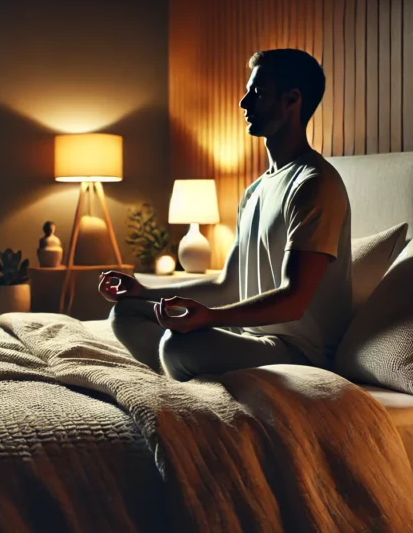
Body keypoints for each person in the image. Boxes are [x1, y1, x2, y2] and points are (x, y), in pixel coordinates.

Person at [99, 48, 352, 381]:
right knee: (126, 312)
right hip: (250, 339)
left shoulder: (315, 184)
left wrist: (209, 319)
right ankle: (178, 374)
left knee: (178, 346)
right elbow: (226, 284)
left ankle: (178, 371)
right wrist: (142, 291)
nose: (244, 102)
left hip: (297, 353)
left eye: (257, 93)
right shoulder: (255, 190)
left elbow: (294, 301)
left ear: (292, 100)